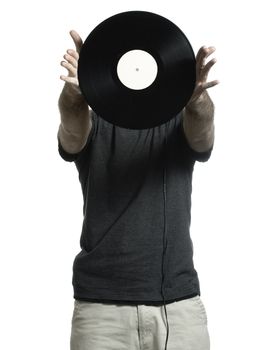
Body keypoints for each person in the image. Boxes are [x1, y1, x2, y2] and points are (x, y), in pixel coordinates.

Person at [57, 29, 219, 350]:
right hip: (100, 313)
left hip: (177, 307)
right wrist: (75, 95)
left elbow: (202, 134)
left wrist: (197, 98)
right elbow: (71, 131)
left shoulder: (179, 123)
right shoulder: (94, 124)